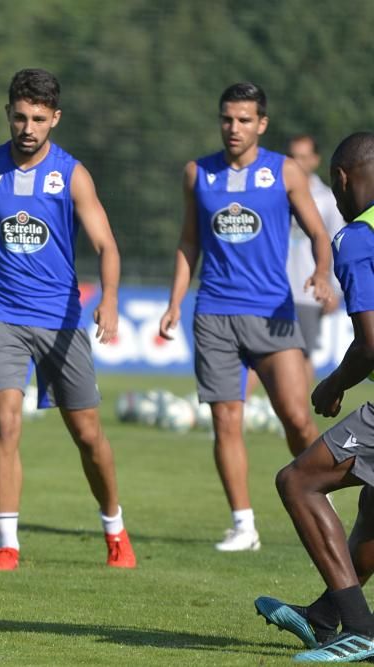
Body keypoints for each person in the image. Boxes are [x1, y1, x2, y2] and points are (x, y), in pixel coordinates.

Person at [0, 68, 136, 572]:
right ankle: (8, 544)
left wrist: (111, 299)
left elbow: (105, 244)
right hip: (1, 318)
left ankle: (114, 527)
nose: (28, 127)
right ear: (8, 115)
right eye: (19, 116)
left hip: (61, 321)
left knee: (87, 435)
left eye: (38, 118)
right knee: (5, 423)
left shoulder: (72, 173)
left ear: (54, 118)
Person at [158, 82, 333, 552]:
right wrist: (176, 300)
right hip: (213, 314)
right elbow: (188, 242)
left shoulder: (284, 172)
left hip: (272, 314)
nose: (233, 128)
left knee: (296, 417)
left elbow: (319, 233)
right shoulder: (198, 173)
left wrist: (320, 272)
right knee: (227, 421)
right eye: (227, 119)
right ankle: (243, 525)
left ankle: (323, 500)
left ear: (262, 124)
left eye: (243, 120)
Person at [253, 131, 374, 662]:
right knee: (373, 505)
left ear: (342, 180)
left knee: (298, 481)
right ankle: (326, 615)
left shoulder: (358, 238)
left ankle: (360, 629)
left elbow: (372, 343)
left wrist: (332, 385)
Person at [287, 135, 347, 385]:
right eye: (292, 156)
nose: (296, 162)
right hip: (273, 288)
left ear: (314, 160)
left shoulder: (326, 199)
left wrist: (334, 288)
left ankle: (299, 419)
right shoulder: (277, 193)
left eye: (302, 157)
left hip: (307, 292)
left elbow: (338, 243)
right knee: (261, 355)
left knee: (302, 355)